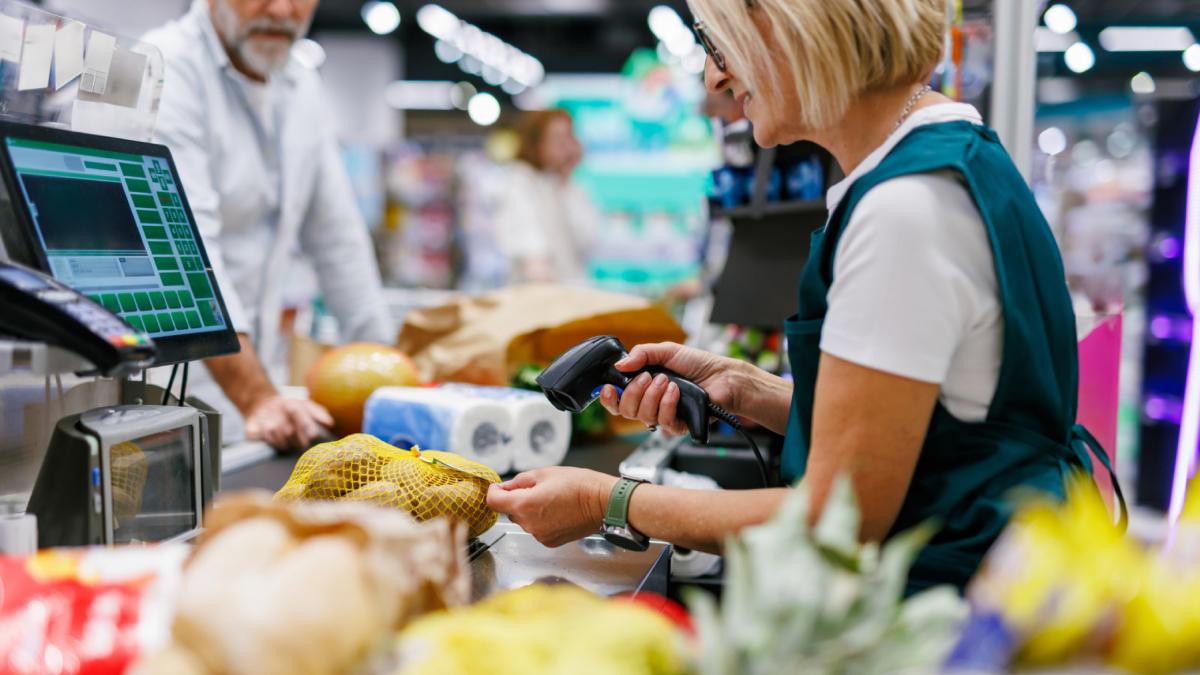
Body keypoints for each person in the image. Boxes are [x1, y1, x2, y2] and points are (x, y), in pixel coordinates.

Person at [487, 0, 1121, 594]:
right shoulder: (952, 160)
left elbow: (836, 517)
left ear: (789, 25)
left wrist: (607, 502)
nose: (714, 78)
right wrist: (748, 390)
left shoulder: (903, 211)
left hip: (949, 602)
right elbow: (934, 434)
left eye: (718, 44)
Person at [144, 0, 393, 449]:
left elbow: (340, 244)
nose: (281, 9)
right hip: (163, 400)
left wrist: (389, 384)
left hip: (254, 402)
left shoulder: (301, 84)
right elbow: (185, 251)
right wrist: (255, 396)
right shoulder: (164, 68)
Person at [495, 109, 599, 285]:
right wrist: (539, 269)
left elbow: (587, 239)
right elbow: (529, 242)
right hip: (539, 290)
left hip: (569, 286)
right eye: (557, 138)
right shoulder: (521, 180)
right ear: (537, 141)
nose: (565, 145)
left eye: (569, 136)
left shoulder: (562, 184)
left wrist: (566, 180)